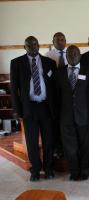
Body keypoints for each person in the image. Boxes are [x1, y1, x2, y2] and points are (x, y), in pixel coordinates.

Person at [10, 36, 56, 181]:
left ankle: (48, 168)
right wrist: (17, 110)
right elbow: (13, 88)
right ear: (25, 47)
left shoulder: (50, 63)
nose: (33, 47)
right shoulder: (16, 63)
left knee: (49, 140)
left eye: (35, 44)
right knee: (31, 142)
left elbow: (54, 88)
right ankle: (35, 170)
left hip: (46, 107)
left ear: (39, 45)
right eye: (29, 45)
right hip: (28, 108)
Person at [54, 45, 89, 181]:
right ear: (66, 56)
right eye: (69, 54)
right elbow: (56, 97)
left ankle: (85, 170)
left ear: (80, 55)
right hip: (65, 116)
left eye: (75, 54)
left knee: (85, 145)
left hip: (84, 115)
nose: (72, 56)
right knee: (70, 146)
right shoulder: (58, 73)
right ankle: (74, 170)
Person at [45, 32, 67, 159]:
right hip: (54, 95)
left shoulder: (72, 53)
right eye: (57, 40)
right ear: (53, 42)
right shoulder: (47, 56)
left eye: (62, 39)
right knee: (55, 124)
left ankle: (66, 147)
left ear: (65, 41)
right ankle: (57, 148)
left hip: (67, 95)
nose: (60, 41)